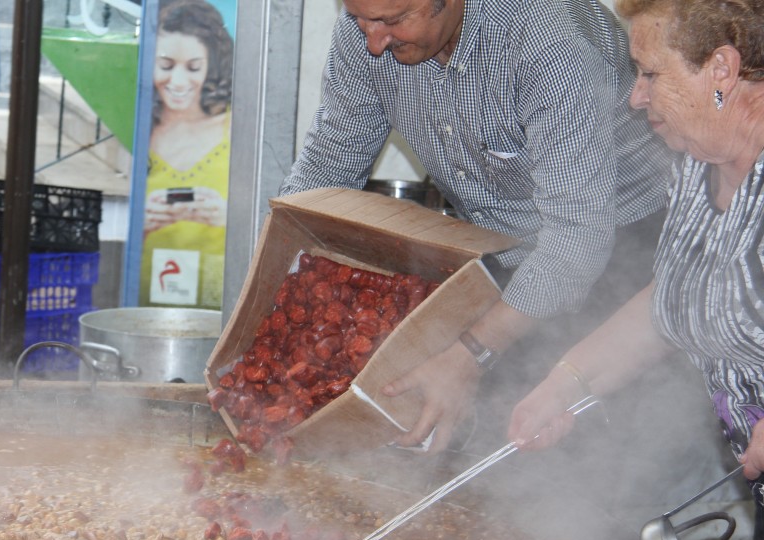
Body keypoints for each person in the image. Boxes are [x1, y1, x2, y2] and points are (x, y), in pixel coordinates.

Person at [280, 0, 676, 453]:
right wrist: (272, 278)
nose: (372, 41)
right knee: (502, 444)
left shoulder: (542, 38)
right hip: (506, 256)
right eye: (359, 19)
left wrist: (471, 354)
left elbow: (576, 239)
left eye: (392, 21)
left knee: (607, 459)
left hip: (628, 254)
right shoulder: (368, 31)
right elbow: (327, 165)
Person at [505, 0, 764, 540]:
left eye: (649, 73)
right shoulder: (695, 167)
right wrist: (563, 384)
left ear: (722, 69)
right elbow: (669, 305)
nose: (634, 94)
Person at [140, 0, 232, 310]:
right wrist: (141, 224)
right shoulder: (139, 130)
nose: (178, 82)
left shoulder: (238, 130)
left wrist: (229, 216)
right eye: (165, 65)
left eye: (194, 67)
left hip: (217, 301)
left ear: (211, 65)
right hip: (144, 301)